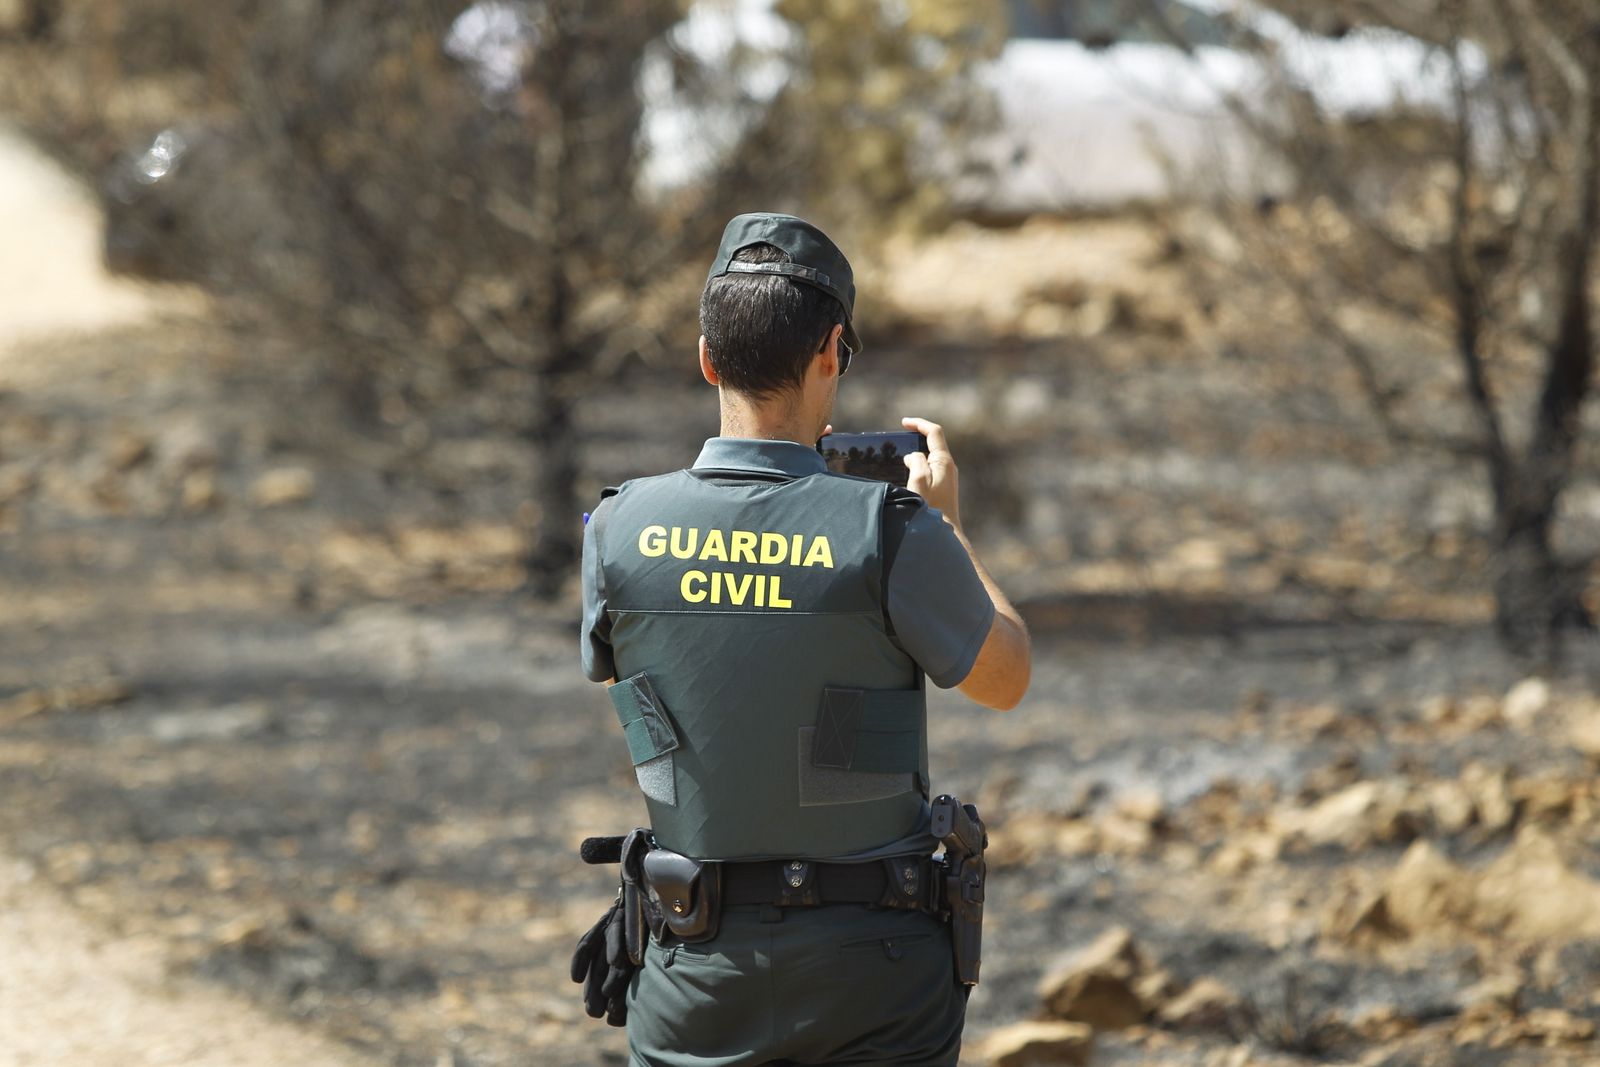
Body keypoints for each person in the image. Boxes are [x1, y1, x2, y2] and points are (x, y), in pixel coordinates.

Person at [576, 212, 1031, 1067]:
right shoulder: (893, 531)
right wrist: (948, 529)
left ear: (707, 358)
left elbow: (644, 688)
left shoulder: (615, 530)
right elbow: (1005, 678)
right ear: (829, 351)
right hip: (876, 977)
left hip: (694, 966)